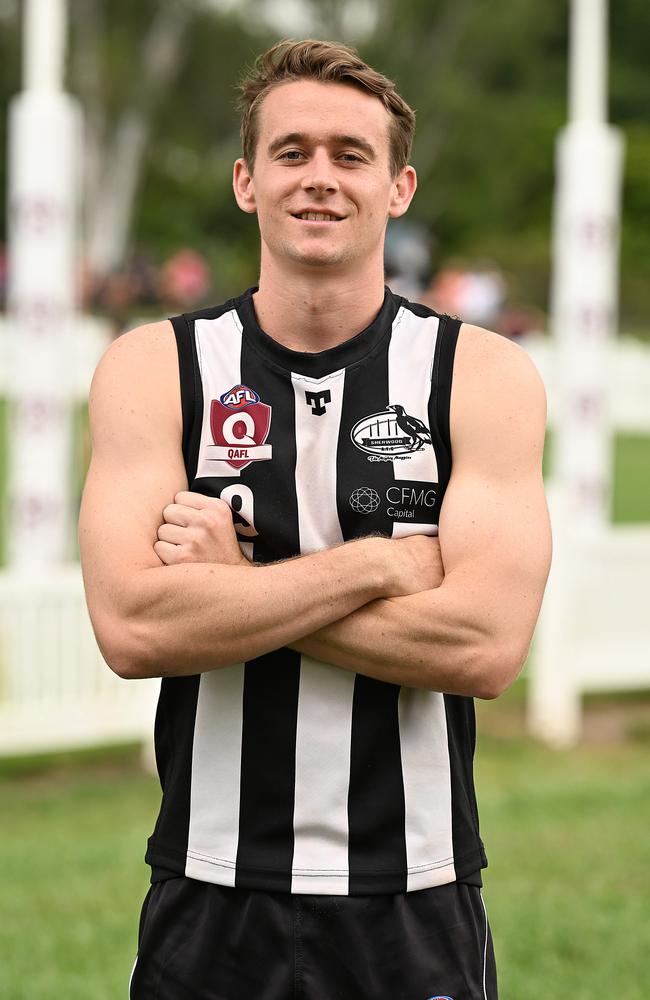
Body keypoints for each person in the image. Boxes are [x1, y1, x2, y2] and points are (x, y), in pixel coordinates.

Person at [79, 38, 551, 1000]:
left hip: (413, 895)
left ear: (400, 186)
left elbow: (485, 647)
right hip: (212, 889)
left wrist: (233, 592)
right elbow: (133, 628)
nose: (320, 179)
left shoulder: (482, 376)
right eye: (292, 153)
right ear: (248, 182)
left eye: (351, 155)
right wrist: (378, 568)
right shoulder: (152, 368)